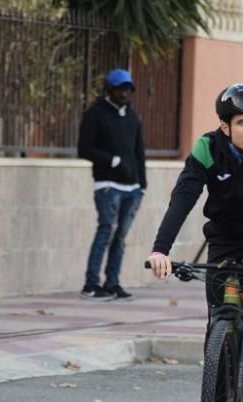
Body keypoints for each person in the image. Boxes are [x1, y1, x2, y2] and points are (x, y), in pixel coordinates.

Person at [147, 83, 243, 384]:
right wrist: (160, 250)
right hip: (226, 239)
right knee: (218, 320)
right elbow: (182, 199)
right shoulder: (208, 149)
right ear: (225, 126)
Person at [77, 68, 147, 301]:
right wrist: (113, 160)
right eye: (120, 89)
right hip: (107, 185)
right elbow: (84, 149)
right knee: (106, 230)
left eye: (128, 89)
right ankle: (90, 284)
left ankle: (113, 282)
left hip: (131, 188)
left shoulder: (132, 116)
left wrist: (142, 184)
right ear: (110, 89)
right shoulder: (95, 114)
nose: (125, 93)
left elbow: (139, 151)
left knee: (120, 237)